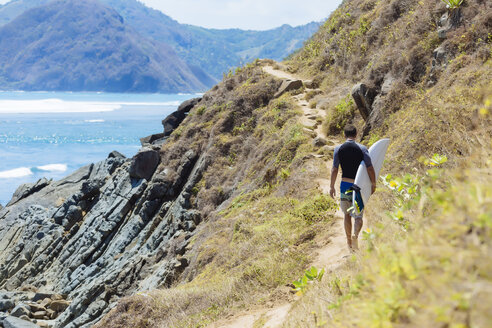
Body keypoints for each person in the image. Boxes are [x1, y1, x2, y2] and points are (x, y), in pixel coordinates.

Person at [329, 124, 376, 250]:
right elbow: (370, 167)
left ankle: (349, 242)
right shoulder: (362, 149)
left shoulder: (338, 149)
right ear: (356, 135)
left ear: (344, 135)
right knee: (358, 215)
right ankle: (355, 235)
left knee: (347, 215)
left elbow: (334, 169)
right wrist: (373, 183)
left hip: (345, 185)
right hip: (358, 185)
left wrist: (331, 186)